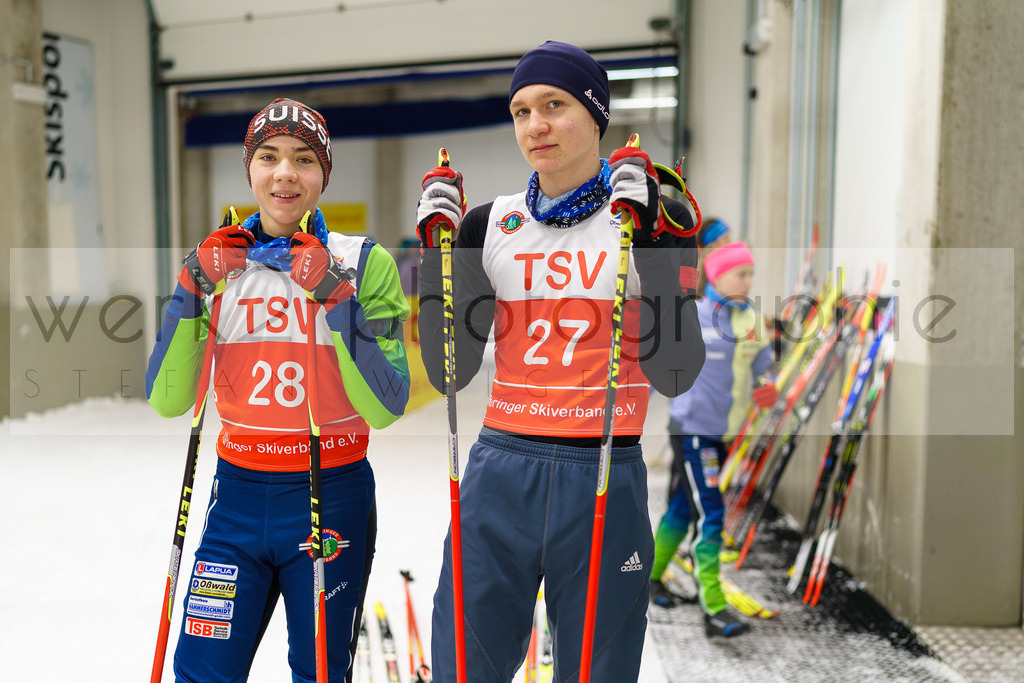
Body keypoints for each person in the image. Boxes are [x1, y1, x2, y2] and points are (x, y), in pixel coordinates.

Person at [415, 41, 705, 682]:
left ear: (596, 116)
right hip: (500, 471)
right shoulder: (489, 224)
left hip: (602, 468)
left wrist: (659, 247)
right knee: (464, 665)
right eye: (521, 111)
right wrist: (437, 260)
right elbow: (448, 372)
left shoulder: (647, 217)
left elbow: (677, 372)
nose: (535, 126)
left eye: (554, 105)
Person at [146, 98, 410, 682]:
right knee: (201, 672)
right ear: (250, 169)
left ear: (323, 174)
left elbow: (385, 406)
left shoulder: (363, 262)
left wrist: (337, 297)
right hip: (237, 498)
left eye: (304, 159)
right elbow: (167, 398)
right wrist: (190, 287)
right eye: (268, 157)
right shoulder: (217, 263)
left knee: (319, 672)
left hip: (330, 494)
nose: (285, 173)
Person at [648, 241, 777, 638]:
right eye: (741, 274)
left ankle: (650, 579)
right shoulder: (694, 314)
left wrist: (766, 384)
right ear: (717, 276)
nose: (748, 281)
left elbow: (763, 363)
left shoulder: (750, 319)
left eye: (751, 274)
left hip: (724, 433)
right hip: (692, 431)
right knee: (711, 514)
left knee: (682, 509)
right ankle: (714, 608)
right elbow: (660, 358)